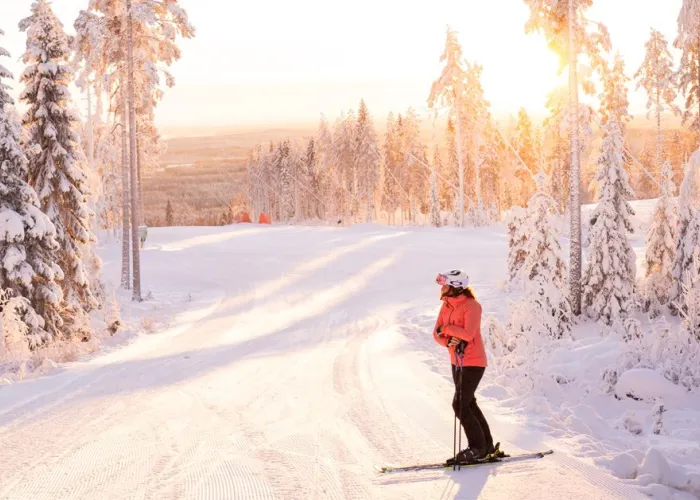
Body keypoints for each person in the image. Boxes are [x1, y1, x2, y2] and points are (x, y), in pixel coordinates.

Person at [433, 269, 494, 464]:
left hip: (473, 362)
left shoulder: (472, 306)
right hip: (456, 360)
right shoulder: (446, 305)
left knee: (459, 404)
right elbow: (436, 333)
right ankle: (487, 446)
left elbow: (468, 334)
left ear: (455, 287)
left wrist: (447, 330)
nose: (442, 288)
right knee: (468, 403)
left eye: (445, 284)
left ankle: (477, 448)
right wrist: (447, 340)